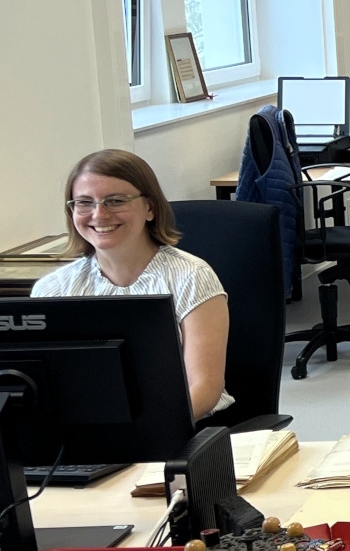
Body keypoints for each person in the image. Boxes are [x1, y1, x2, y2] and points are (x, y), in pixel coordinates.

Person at [33, 150, 231, 421]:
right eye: (84, 202)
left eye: (115, 201)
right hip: (91, 432)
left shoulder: (191, 276)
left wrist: (142, 432)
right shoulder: (52, 289)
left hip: (185, 424)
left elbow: (204, 388)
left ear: (149, 207)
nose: (99, 214)